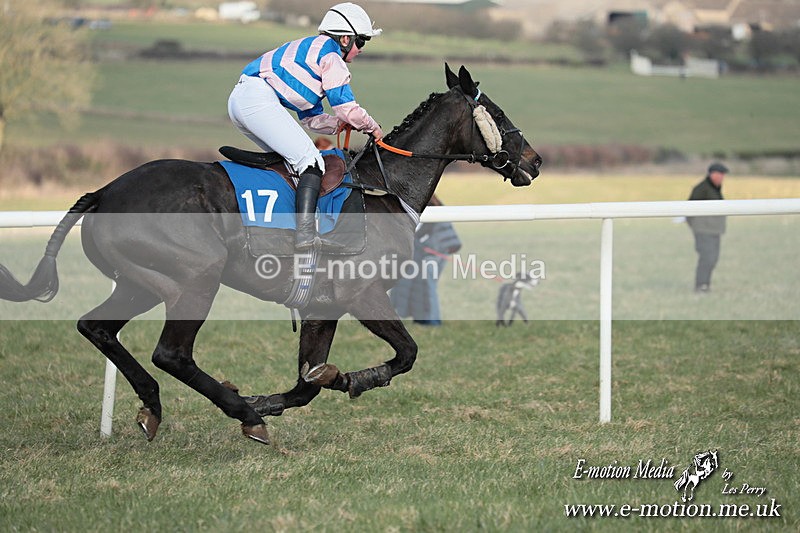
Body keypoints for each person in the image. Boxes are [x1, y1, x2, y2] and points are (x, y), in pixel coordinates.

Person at [228, 2, 384, 251]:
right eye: (361, 41)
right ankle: (305, 236)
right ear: (345, 39)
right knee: (311, 162)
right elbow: (346, 108)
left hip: (242, 100)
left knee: (291, 162)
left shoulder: (312, 51)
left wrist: (339, 125)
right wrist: (372, 127)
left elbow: (311, 119)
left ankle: (279, 226)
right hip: (257, 100)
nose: (361, 50)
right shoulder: (331, 57)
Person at [391, 197, 461, 326]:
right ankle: (421, 318)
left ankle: (432, 320)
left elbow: (441, 236)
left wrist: (424, 245)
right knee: (418, 282)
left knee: (428, 283)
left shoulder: (434, 207)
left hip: (435, 253)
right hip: (424, 253)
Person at [687, 162, 728, 293]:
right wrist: (696, 226)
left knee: (713, 258)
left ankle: (705, 284)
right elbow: (689, 208)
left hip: (714, 230)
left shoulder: (715, 188)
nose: (722, 177)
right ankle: (701, 285)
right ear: (712, 174)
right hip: (704, 230)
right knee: (707, 257)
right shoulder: (701, 189)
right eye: (720, 174)